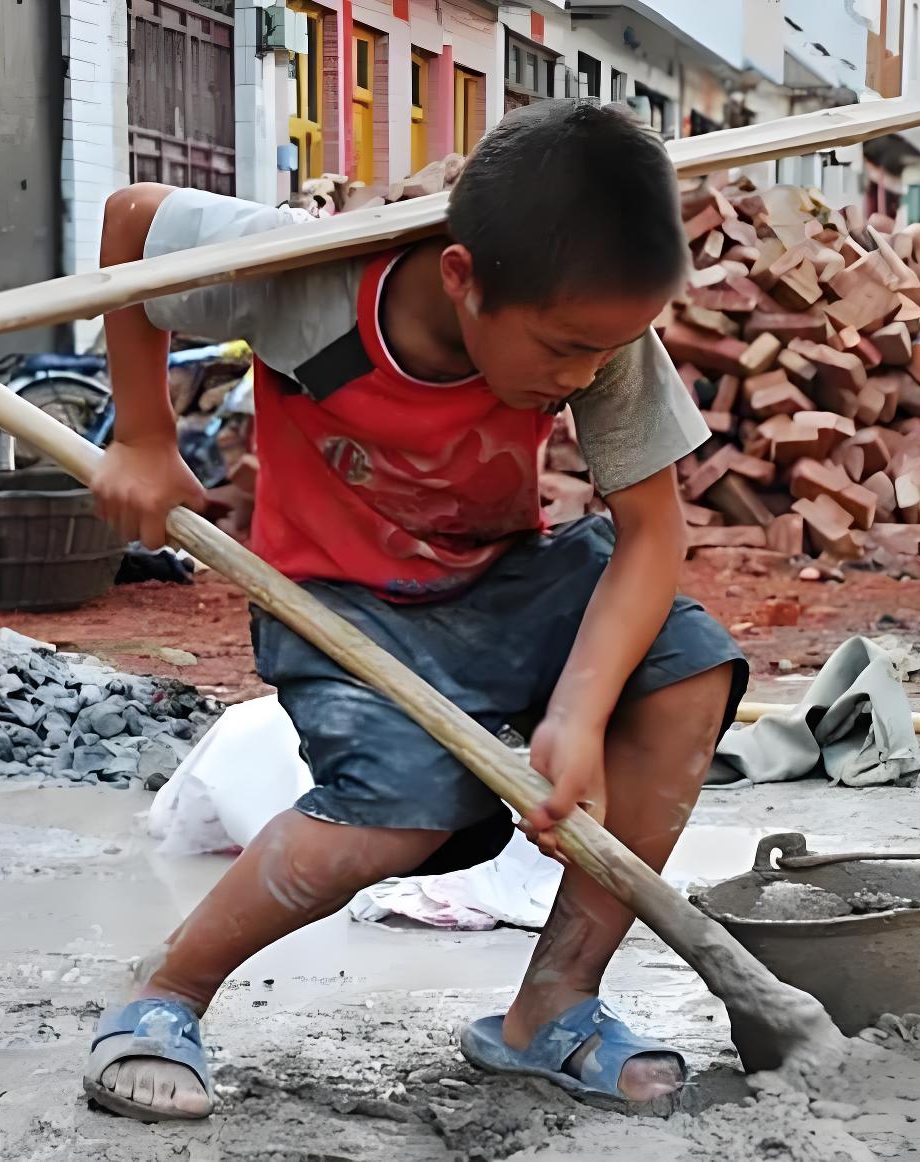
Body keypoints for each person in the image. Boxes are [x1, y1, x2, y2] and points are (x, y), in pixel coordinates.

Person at [84, 100, 747, 1122]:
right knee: (394, 813)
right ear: (462, 278)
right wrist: (141, 433)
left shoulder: (599, 325)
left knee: (685, 673)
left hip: (502, 580)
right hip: (337, 601)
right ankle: (166, 991)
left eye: (602, 355)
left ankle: (553, 1007)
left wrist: (574, 711)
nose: (581, 377)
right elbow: (133, 220)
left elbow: (652, 536)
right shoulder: (302, 276)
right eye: (564, 351)